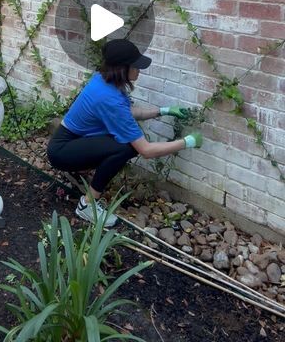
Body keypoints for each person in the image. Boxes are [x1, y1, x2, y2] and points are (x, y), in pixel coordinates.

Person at [47, 39, 202, 226]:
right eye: (135, 66)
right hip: (62, 151)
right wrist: (188, 141)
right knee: (126, 148)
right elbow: (146, 150)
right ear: (122, 68)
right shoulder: (109, 98)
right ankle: (87, 205)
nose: (139, 70)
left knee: (122, 142)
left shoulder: (103, 80)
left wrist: (163, 110)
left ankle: (80, 171)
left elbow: (127, 113)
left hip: (68, 142)